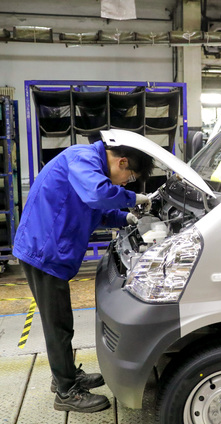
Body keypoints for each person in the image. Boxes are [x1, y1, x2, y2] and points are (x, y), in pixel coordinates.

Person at [12, 134, 154, 413]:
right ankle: (66, 392)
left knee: (60, 322)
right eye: (130, 176)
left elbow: (95, 210)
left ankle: (64, 375)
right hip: (44, 252)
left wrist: (127, 217)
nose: (127, 182)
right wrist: (134, 198)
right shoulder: (83, 158)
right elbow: (98, 195)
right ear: (122, 162)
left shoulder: (91, 166)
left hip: (50, 250)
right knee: (58, 325)